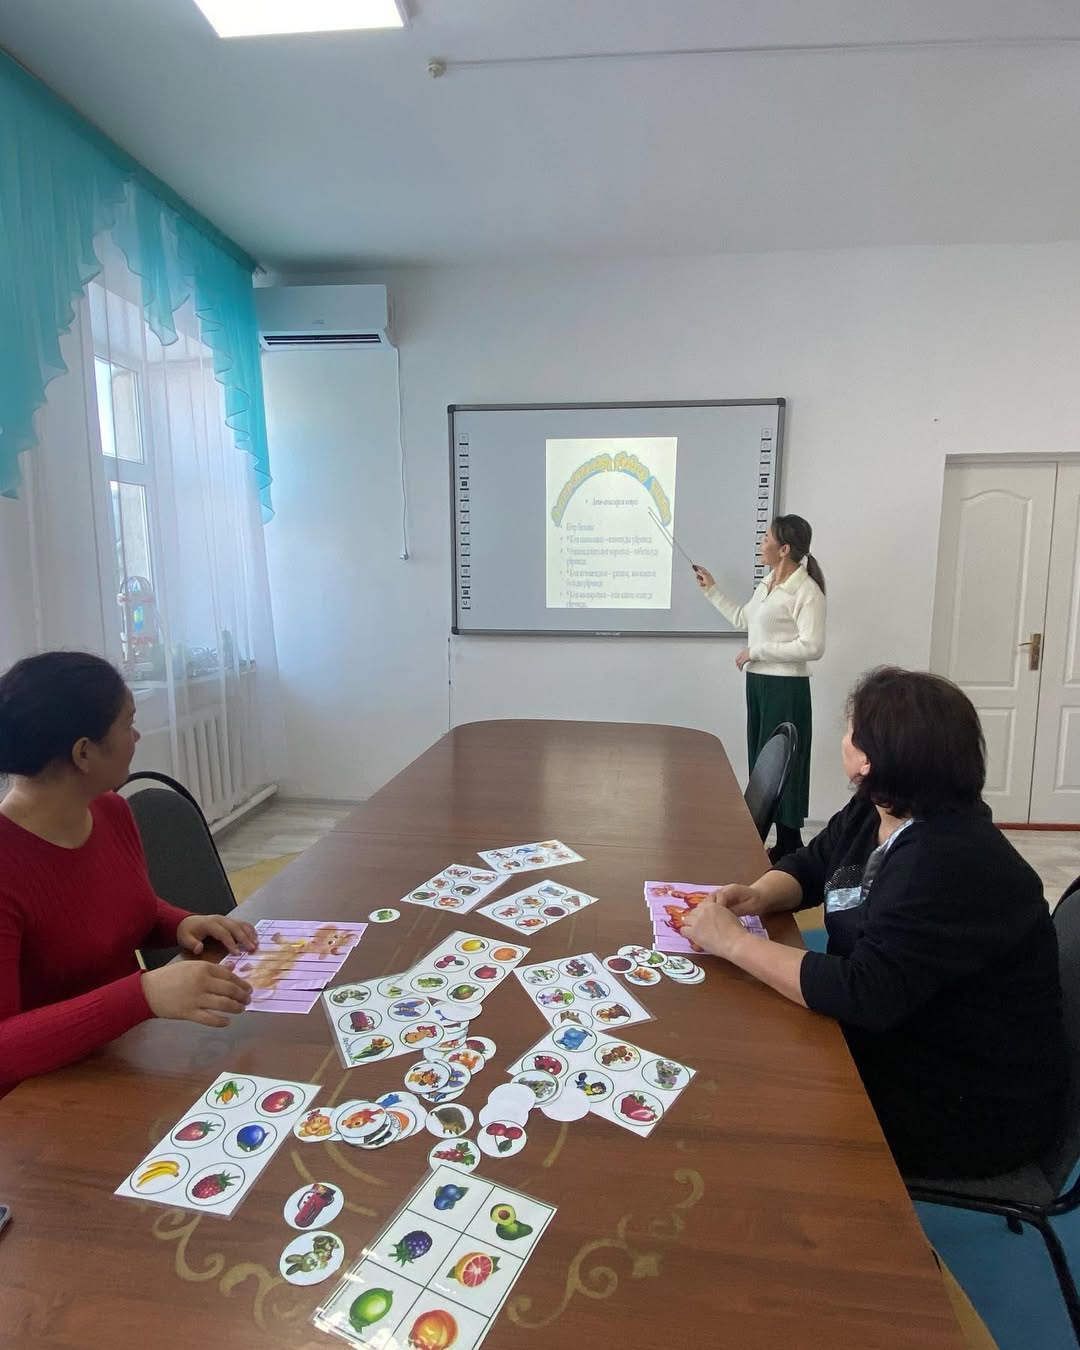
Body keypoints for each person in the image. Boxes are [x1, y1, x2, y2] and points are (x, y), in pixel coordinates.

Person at [681, 667, 1066, 1180]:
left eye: (850, 730)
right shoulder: (880, 807)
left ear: (868, 759)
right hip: (908, 1035)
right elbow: (815, 863)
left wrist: (732, 943)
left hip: (970, 1104)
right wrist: (758, 895)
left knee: (746, 1097)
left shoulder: (945, 861)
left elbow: (864, 993)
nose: (843, 738)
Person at [0, 651, 257, 1096]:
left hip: (123, 1058)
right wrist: (143, 995)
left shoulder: (111, 811)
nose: (136, 737)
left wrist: (180, 923)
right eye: (128, 724)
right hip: (41, 1101)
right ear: (84, 752)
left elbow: (119, 908)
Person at [694, 514, 826, 861]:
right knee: (763, 760)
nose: (761, 543)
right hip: (760, 684)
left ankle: (790, 843)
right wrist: (712, 589)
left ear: (784, 549)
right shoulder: (767, 585)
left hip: (786, 688)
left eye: (766, 538)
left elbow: (813, 646)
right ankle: (776, 842)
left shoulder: (806, 592)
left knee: (783, 764)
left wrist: (757, 652)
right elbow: (743, 619)